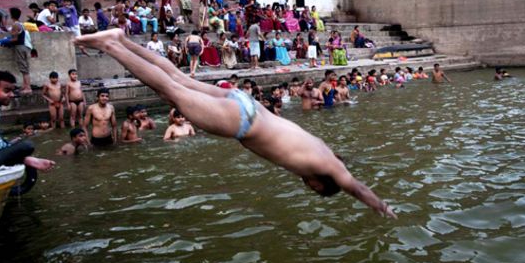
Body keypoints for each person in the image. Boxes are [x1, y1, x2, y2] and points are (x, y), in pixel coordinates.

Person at [75, 30, 396, 217]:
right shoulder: (328, 169)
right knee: (169, 89)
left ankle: (123, 39)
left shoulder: (324, 152)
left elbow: (347, 173)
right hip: (241, 121)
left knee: (176, 78)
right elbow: (355, 186)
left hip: (246, 103)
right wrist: (380, 207)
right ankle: (111, 46)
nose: (309, 188)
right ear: (320, 183)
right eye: (315, 189)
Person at [0, 70, 56, 172]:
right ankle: (27, 160)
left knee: (14, 144)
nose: (12, 95)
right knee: (27, 146)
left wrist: (9, 144)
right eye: (6, 91)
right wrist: (11, 147)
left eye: (12, 91)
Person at [0, 9, 33, 94]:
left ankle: (28, 88)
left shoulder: (15, 25)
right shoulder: (21, 24)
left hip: (20, 47)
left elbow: (14, 39)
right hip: (25, 47)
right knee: (25, 67)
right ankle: (25, 86)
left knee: (23, 67)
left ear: (12, 15)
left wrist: (2, 42)